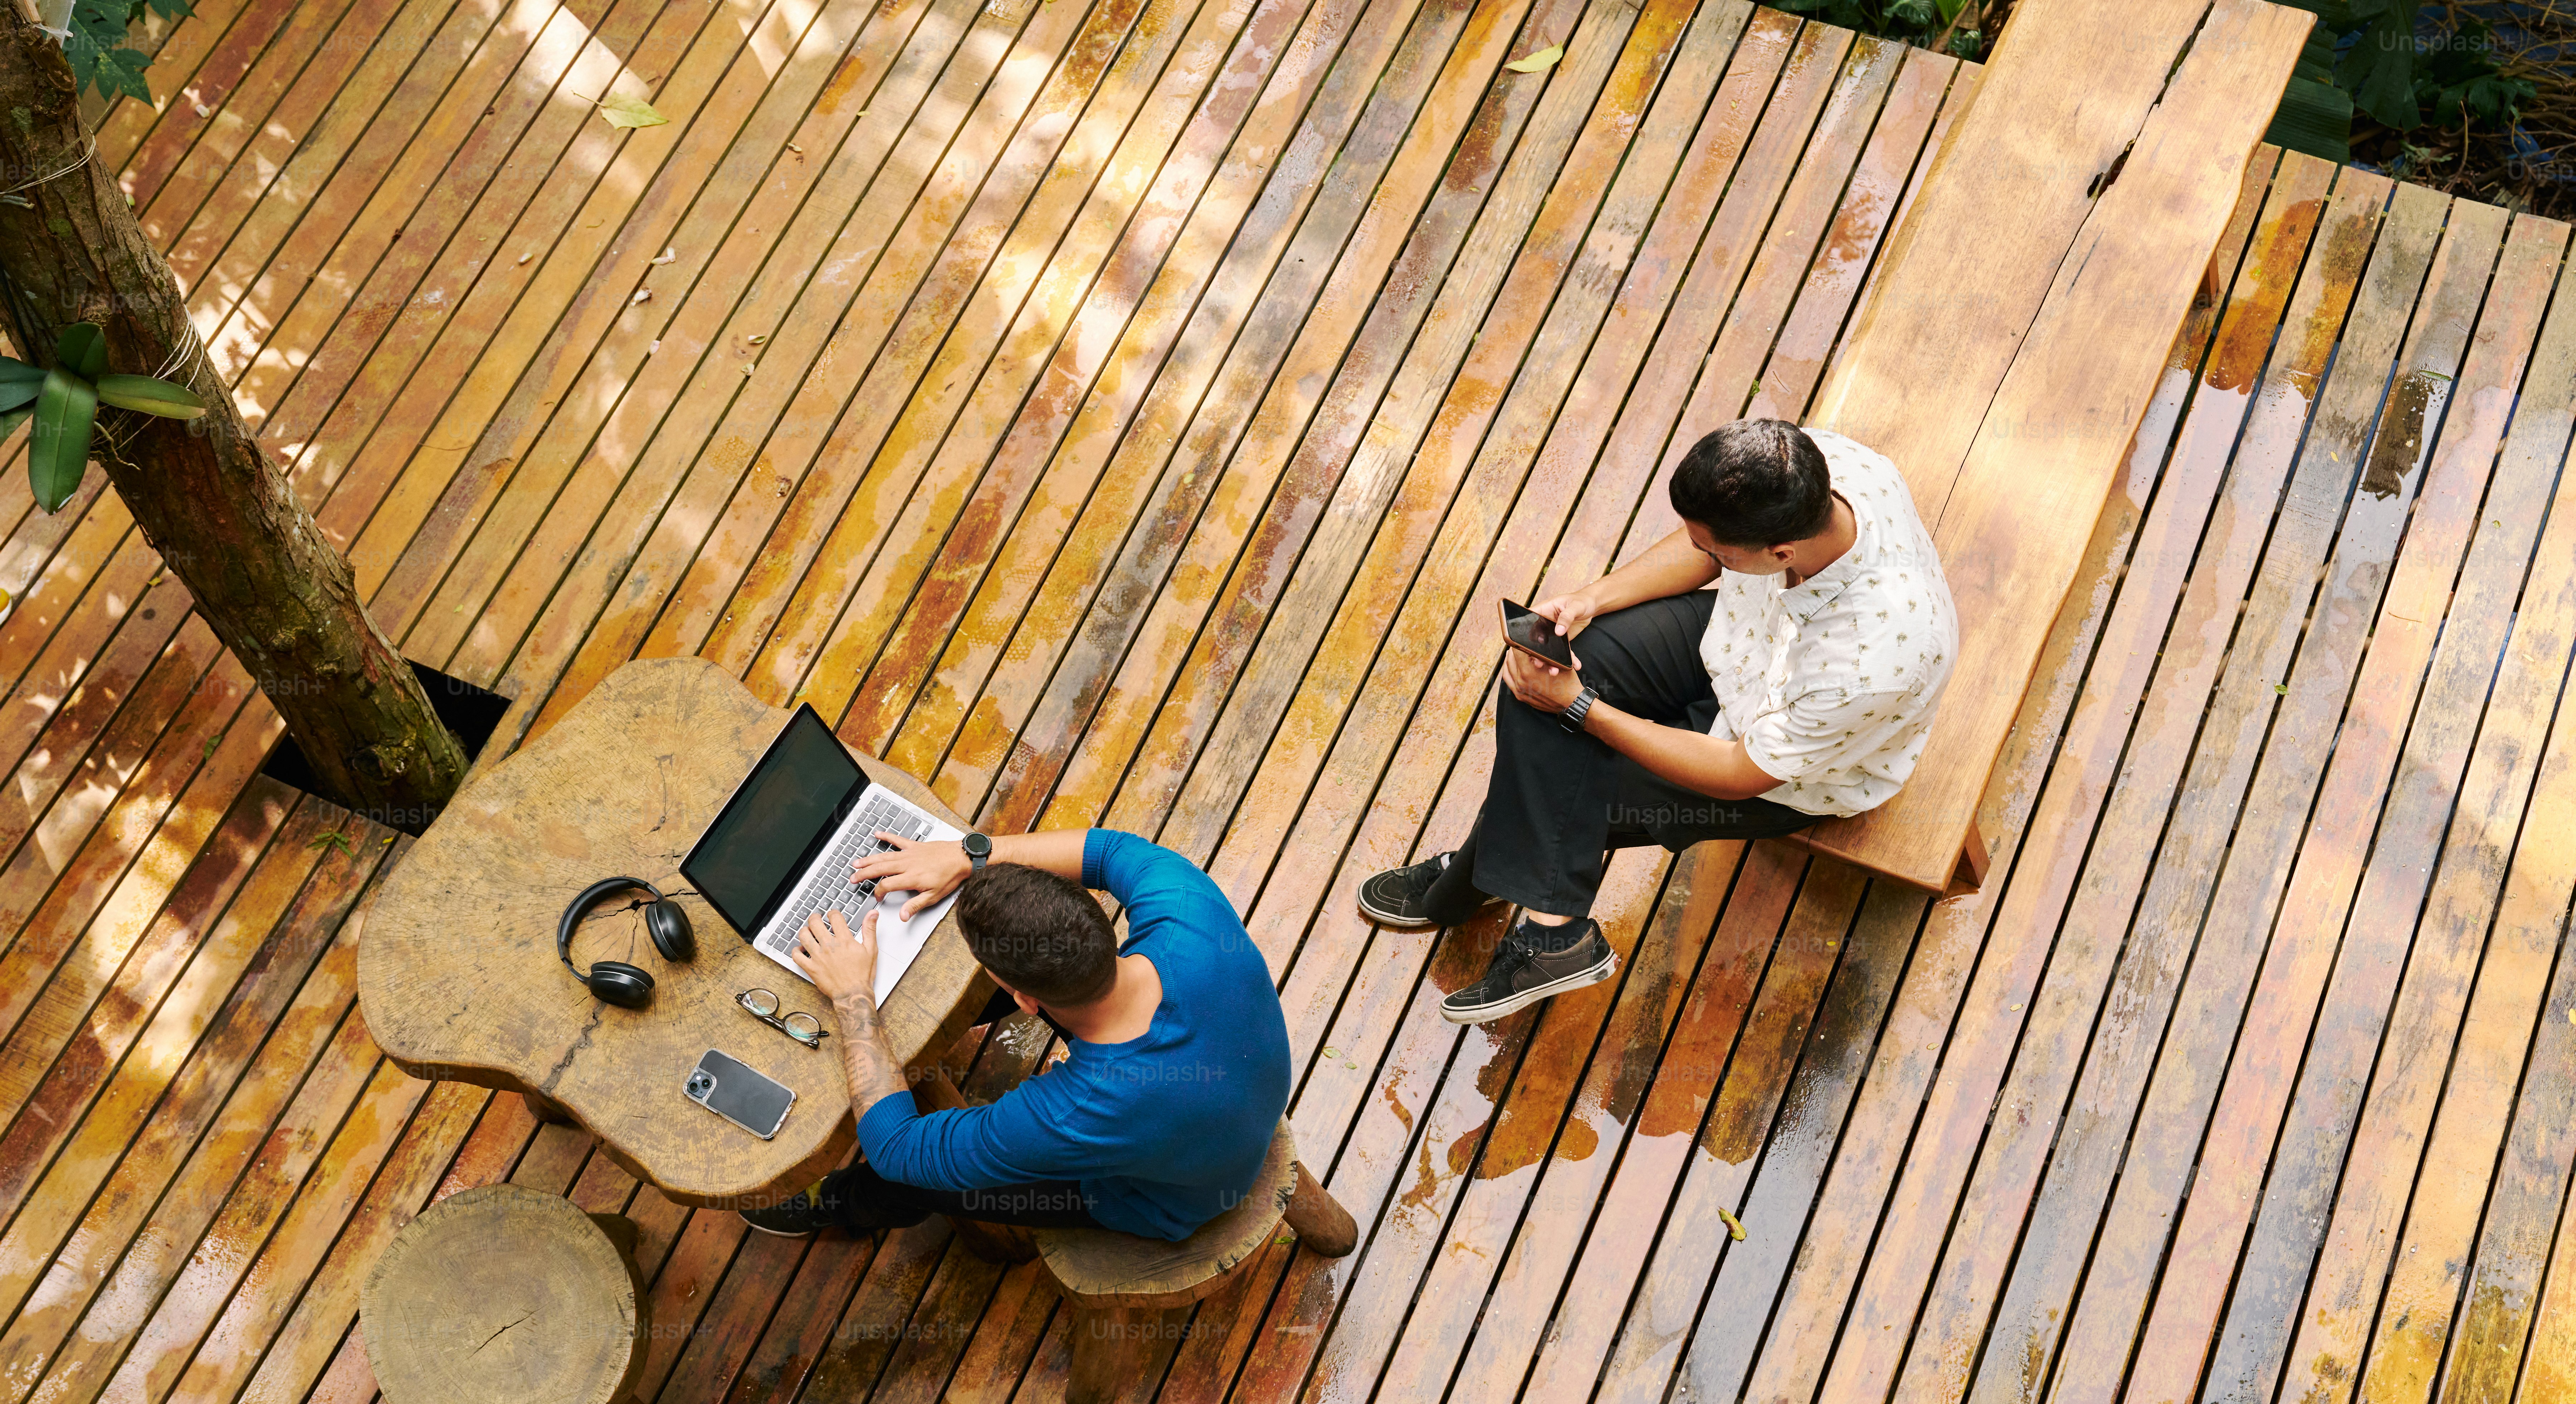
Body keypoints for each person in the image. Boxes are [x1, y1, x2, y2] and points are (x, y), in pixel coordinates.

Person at [1362, 418, 1956, 1023]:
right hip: (1739, 643)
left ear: (1782, 554)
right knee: (1540, 675)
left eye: (1717, 554)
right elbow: (1704, 546)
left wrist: (1580, 708)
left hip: (1777, 770)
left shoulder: (1873, 659)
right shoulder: (1809, 464)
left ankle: (1482, 892)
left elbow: (1742, 772)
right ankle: (1545, 924)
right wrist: (1591, 600)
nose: (1705, 554)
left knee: (1569, 781)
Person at [740, 826, 1290, 1242]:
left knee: (910, 1180)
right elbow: (1111, 851)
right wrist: (969, 854)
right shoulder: (1187, 909)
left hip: (1169, 1201)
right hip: (1240, 1089)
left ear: (1026, 1002)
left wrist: (851, 996)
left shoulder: (1073, 1113)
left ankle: (836, 1203)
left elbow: (894, 1147)